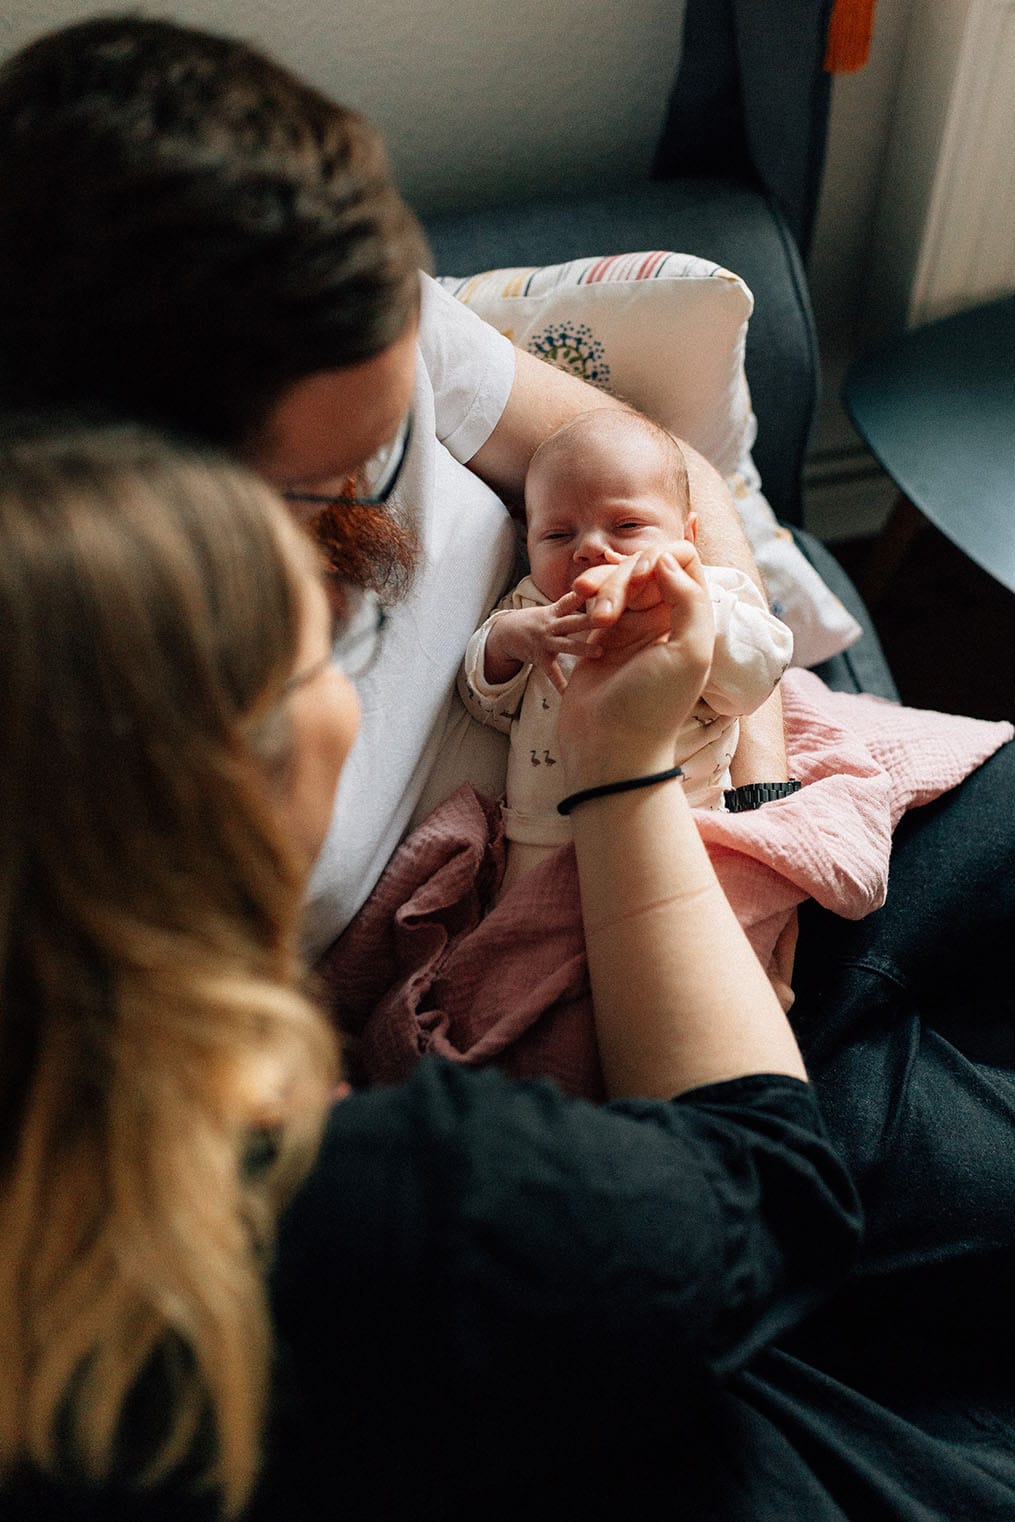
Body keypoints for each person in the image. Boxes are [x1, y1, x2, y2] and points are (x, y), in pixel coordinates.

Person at [0, 413, 858, 1519]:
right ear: (225, 790)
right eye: (328, 653)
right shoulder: (422, 1203)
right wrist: (621, 769)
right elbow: (777, 1194)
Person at [0, 11, 791, 961]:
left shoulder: (359, 309)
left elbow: (661, 466)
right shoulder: (75, 692)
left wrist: (761, 819)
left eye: (385, 447)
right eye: (310, 490)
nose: (366, 494)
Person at [458, 409, 793, 893]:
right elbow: (482, 704)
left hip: (687, 828)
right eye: (557, 534)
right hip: (545, 846)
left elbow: (759, 677)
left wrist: (692, 607)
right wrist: (509, 640)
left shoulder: (711, 596)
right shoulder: (535, 607)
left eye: (627, 525)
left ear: (687, 537)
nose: (590, 549)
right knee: (526, 959)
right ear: (527, 543)